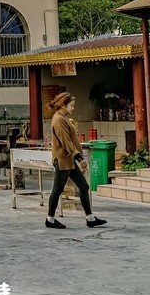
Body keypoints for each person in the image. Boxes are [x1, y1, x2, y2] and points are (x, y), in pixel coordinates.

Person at [45, 92, 106, 229]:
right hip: (63, 160)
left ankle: (90, 218)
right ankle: (50, 219)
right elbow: (66, 142)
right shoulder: (59, 119)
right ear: (63, 105)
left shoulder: (63, 117)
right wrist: (79, 158)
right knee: (57, 189)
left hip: (69, 161)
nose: (73, 108)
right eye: (71, 106)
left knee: (84, 187)